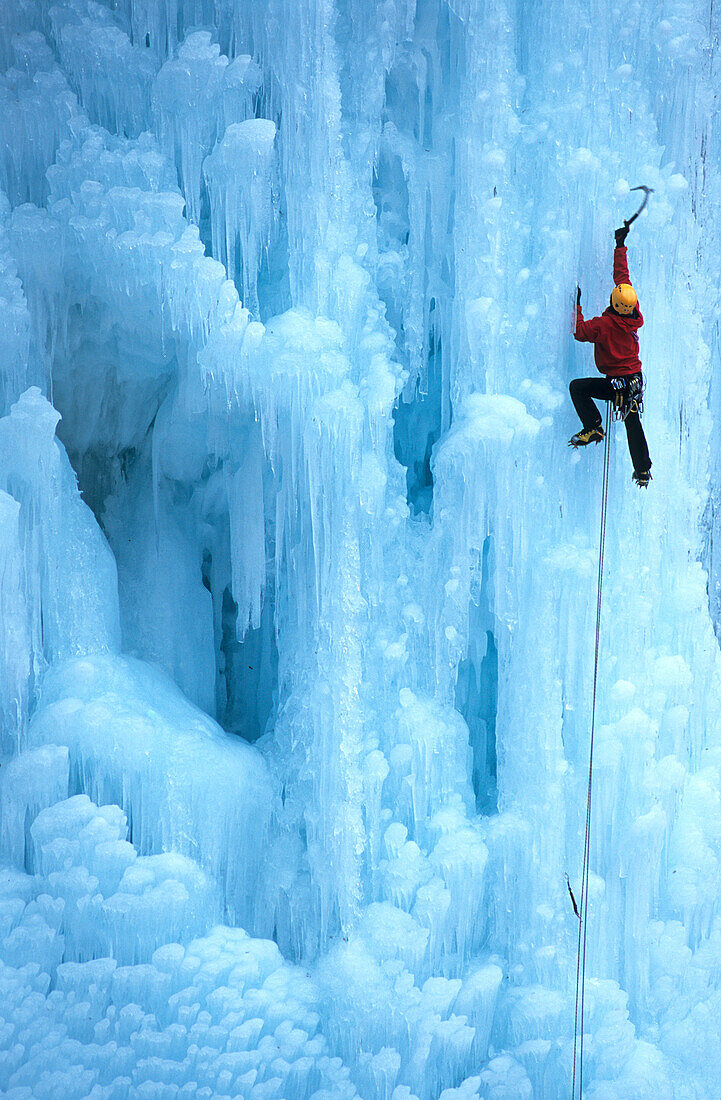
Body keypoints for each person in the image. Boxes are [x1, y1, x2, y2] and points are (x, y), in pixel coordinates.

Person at [569, 225, 652, 487]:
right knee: (632, 421)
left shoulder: (603, 326)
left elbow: (580, 332)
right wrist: (620, 245)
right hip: (633, 382)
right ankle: (642, 470)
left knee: (578, 388)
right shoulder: (634, 314)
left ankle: (593, 425)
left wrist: (577, 305)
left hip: (615, 382)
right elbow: (622, 276)